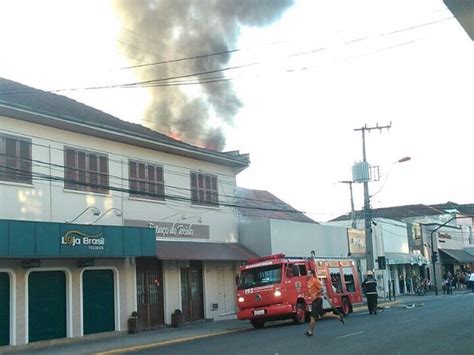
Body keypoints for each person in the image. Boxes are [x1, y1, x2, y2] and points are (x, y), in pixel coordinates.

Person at [304, 269, 343, 337]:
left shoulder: (315, 281)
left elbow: (322, 289)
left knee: (312, 316)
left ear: (312, 274)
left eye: (308, 273)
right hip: (314, 300)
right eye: (307, 273)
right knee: (323, 315)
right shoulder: (308, 281)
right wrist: (307, 294)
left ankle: (310, 332)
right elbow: (310, 290)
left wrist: (316, 293)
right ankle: (338, 316)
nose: (307, 274)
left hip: (317, 300)